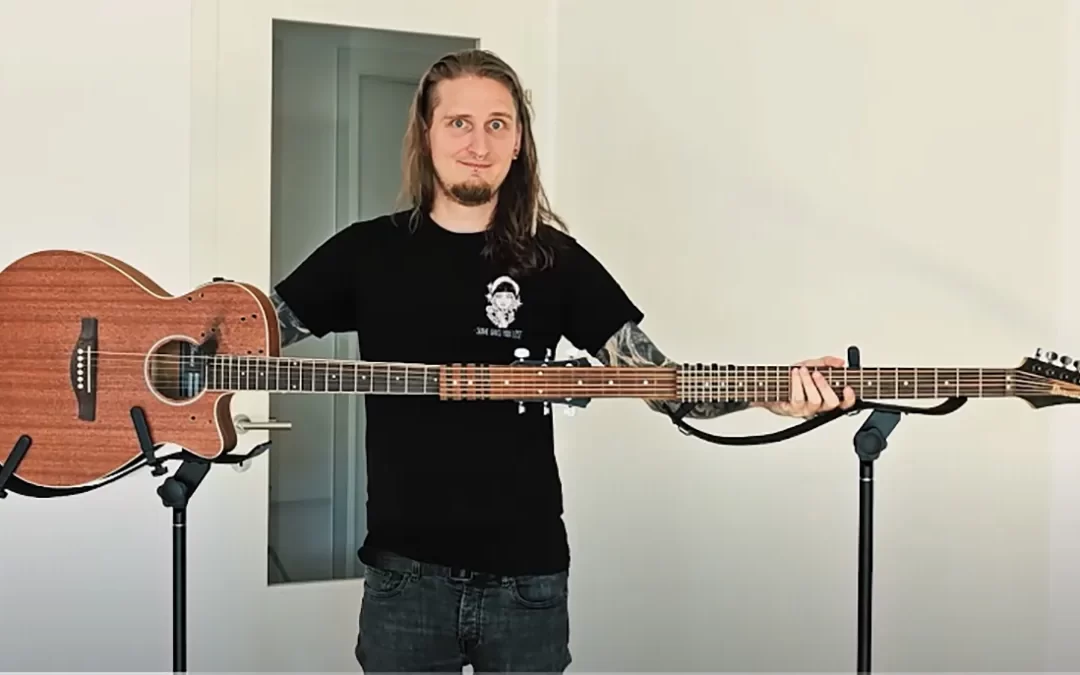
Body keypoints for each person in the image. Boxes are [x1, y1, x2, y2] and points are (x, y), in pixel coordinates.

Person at [270, 48, 856, 673]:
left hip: (528, 584)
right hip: (404, 581)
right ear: (427, 132)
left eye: (497, 123)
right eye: (459, 122)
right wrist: (163, 349)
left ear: (519, 140)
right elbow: (245, 335)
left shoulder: (555, 261)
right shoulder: (367, 254)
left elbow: (664, 385)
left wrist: (771, 391)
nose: (478, 143)